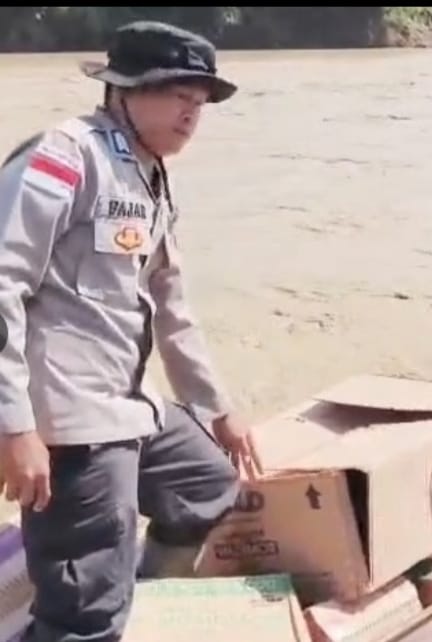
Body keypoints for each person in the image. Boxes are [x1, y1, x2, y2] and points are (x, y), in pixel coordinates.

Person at [0, 21, 257, 641]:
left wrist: (218, 408)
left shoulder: (149, 176)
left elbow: (171, 304)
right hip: (70, 418)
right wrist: (15, 428)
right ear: (123, 90)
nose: (191, 115)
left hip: (127, 403)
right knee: (86, 612)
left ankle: (134, 608)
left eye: (199, 104)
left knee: (208, 488)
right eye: (176, 96)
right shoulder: (65, 156)